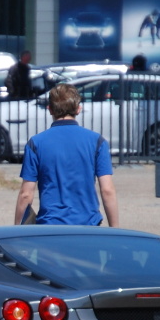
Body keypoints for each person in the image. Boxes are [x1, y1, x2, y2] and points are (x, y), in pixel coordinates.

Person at [13, 83, 118, 227]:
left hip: (50, 226)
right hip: (88, 225)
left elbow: (26, 194)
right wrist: (115, 229)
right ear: (78, 109)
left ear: (49, 109)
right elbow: (107, 190)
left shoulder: (36, 143)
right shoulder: (97, 142)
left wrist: (18, 231)